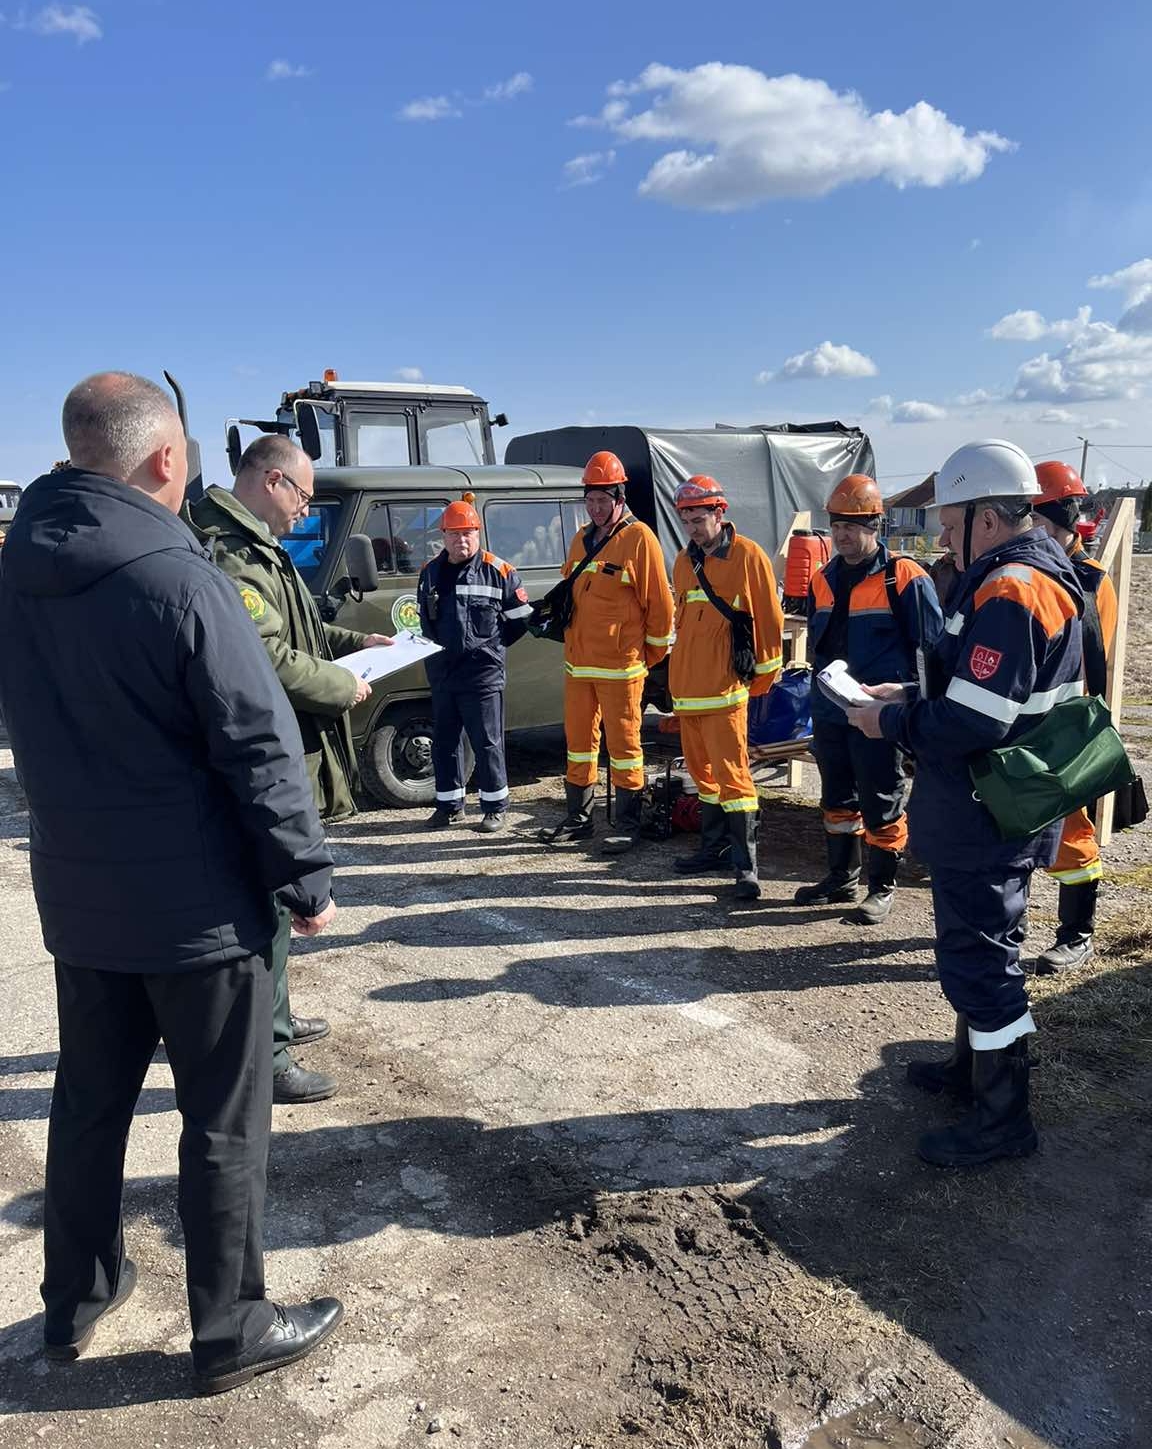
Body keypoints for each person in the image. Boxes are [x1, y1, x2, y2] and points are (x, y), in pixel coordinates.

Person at [0, 372, 343, 1391]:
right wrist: (305, 876)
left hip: (82, 900)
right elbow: (257, 739)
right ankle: (232, 1328)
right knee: (223, 1121)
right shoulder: (177, 574)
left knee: (90, 1105)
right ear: (164, 458)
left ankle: (75, 1297)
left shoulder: (18, 568)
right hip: (197, 912)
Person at [849, 439, 1084, 1168]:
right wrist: (906, 692)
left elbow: (975, 720)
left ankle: (1003, 1119)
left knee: (983, 962)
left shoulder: (1012, 589)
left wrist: (888, 720)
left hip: (988, 812)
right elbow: (972, 689)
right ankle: (970, 1072)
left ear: (987, 517)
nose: (944, 540)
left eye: (951, 526)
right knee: (972, 948)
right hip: (986, 807)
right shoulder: (1012, 577)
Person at [190, 436, 392, 1106]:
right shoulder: (230, 552)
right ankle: (269, 1058)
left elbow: (300, 630)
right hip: (264, 750)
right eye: (303, 496)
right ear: (272, 480)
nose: (305, 511)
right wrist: (339, 684)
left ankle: (276, 1018)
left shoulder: (257, 545)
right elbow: (267, 657)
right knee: (273, 902)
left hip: (282, 742)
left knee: (276, 903)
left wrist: (357, 643)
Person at [794, 475, 943, 924]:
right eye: (837, 525)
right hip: (831, 707)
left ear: (875, 525)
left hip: (879, 710)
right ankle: (841, 877)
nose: (842, 535)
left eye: (852, 526)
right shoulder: (823, 579)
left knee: (881, 795)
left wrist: (915, 704)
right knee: (836, 795)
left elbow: (933, 651)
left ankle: (881, 887)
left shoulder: (904, 578)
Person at [540, 451, 674, 853]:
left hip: (621, 667)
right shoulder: (581, 538)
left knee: (624, 746)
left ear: (620, 498)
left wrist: (647, 657)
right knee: (578, 742)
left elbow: (660, 606)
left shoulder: (640, 538)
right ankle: (579, 818)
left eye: (603, 500)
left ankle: (628, 823)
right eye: (591, 500)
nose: (596, 508)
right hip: (579, 664)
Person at [668, 476, 784, 899]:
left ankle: (746, 866)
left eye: (698, 520)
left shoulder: (747, 555)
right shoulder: (684, 561)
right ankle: (713, 848)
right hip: (689, 691)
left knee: (733, 778)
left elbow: (768, 618)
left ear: (719, 514)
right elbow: (683, 624)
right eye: (686, 522)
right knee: (702, 776)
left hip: (724, 691)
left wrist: (763, 677)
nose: (692, 529)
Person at [1031, 460, 1118, 971]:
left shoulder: (1090, 581)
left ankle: (1076, 934)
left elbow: (1091, 659)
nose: (1032, 532)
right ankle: (1009, 922)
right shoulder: (1027, 572)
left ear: (1064, 521)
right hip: (1024, 718)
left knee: (1071, 829)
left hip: (1065, 721)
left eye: (1039, 522)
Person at [417, 499, 532, 832]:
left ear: (478, 534)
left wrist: (490, 649)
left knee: (487, 743)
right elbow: (425, 619)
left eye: (467, 533)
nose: (461, 540)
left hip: (482, 674)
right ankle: (449, 806)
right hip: (443, 673)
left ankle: (495, 807)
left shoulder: (500, 571)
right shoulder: (429, 573)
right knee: (444, 743)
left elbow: (520, 621)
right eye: (454, 534)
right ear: (443, 536)